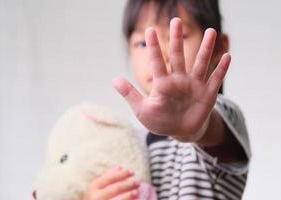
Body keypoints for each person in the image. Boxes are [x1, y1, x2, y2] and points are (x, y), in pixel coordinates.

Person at [84, 0, 251, 199]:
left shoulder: (223, 114)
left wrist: (196, 129)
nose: (161, 53)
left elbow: (212, 132)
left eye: (177, 36)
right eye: (142, 43)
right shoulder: (129, 142)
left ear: (218, 47)